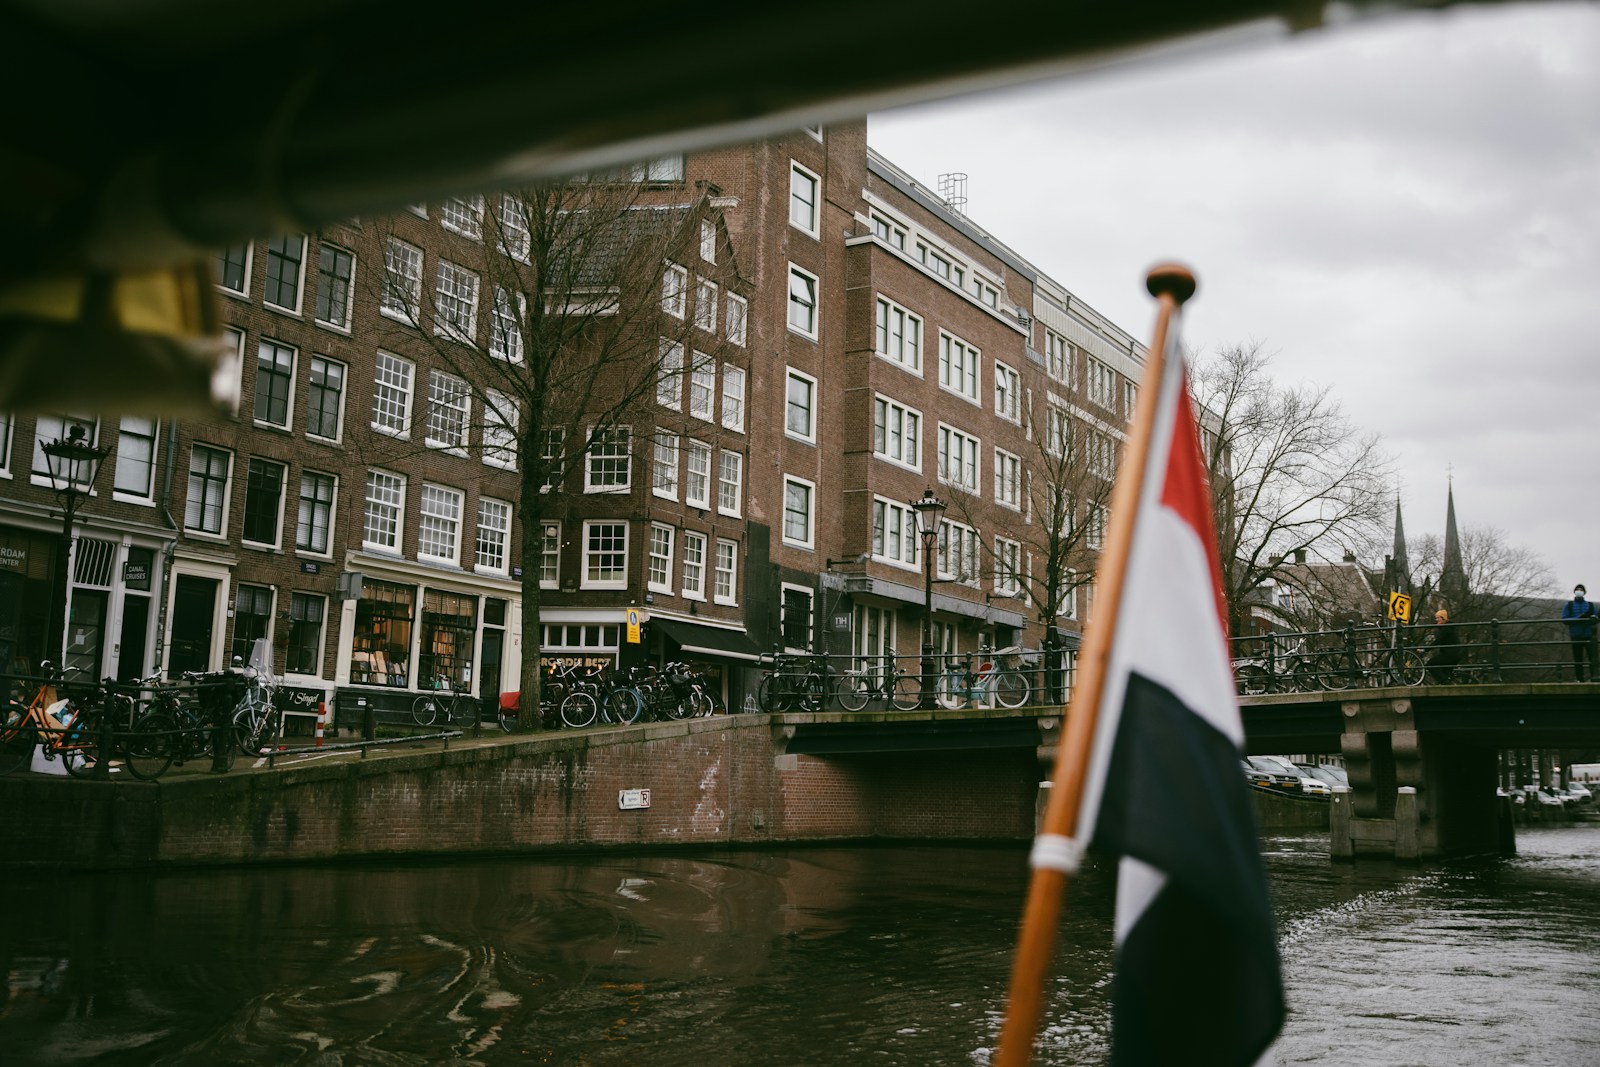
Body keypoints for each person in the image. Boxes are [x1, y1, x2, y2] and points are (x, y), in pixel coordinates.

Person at [1562, 585, 1597, 681]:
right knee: (1578, 659)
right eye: (1577, 589)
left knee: (1593, 658)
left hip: (1589, 635)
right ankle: (1580, 679)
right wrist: (1579, 617)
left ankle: (1594, 678)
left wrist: (1592, 617)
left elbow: (1596, 618)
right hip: (1576, 635)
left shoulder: (1590, 605)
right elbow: (1564, 620)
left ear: (1584, 592)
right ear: (1574, 591)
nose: (1579, 591)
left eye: (1581, 590)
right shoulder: (1569, 605)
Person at [1428, 608, 1463, 683]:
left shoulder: (1446, 628)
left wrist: (1425, 649)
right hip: (1455, 654)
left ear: (1444, 618)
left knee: (1430, 664)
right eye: (1436, 618)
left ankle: (1445, 683)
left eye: (1438, 618)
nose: (1436, 620)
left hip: (1450, 654)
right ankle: (1447, 683)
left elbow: (1438, 640)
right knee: (1444, 672)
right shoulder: (1448, 627)